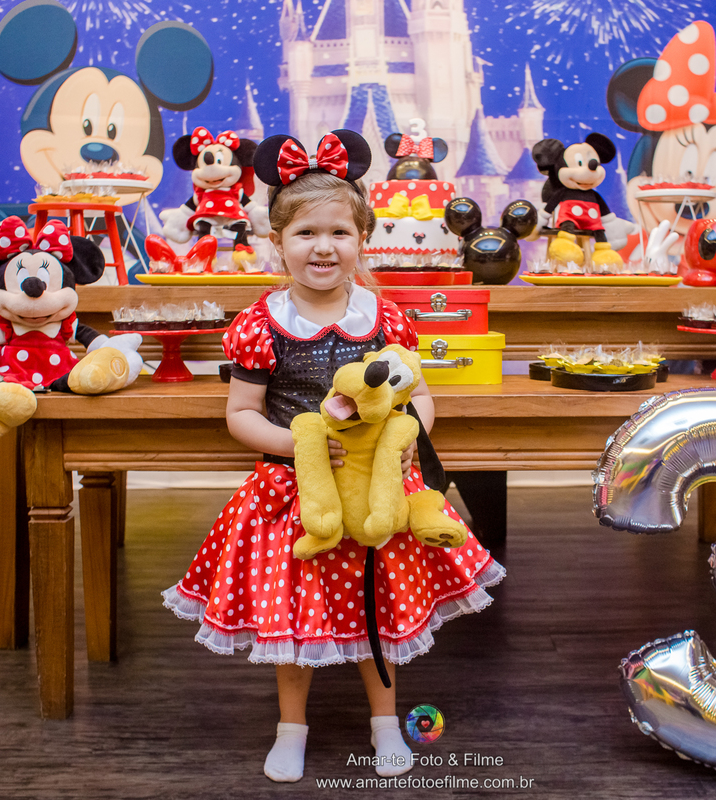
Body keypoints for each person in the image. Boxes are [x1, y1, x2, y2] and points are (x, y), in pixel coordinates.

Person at [162, 130, 504, 783]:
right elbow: (240, 415)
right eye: (306, 233)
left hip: (379, 491)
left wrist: (399, 443)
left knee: (381, 606)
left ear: (362, 241)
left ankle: (384, 723)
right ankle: (292, 728)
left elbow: (420, 397)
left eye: (340, 233)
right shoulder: (262, 325)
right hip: (294, 495)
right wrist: (304, 448)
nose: (324, 246)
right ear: (278, 242)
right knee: (294, 620)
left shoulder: (386, 319)